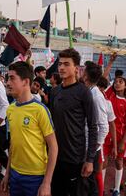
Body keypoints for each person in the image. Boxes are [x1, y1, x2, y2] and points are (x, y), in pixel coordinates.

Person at [1, 61, 58, 196]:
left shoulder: (40, 110)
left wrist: (46, 183)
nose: (8, 83)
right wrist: (7, 173)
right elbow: (13, 144)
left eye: (12, 78)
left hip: (36, 177)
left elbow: (53, 147)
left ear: (26, 82)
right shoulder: (10, 110)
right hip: (15, 175)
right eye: (8, 78)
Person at [49, 48, 98, 196]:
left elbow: (93, 127)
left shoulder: (84, 92)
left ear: (76, 68)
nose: (61, 67)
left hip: (75, 158)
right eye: (60, 64)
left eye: (66, 64)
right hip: (55, 156)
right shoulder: (54, 92)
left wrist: (90, 160)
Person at [105, 74, 126, 196]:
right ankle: (101, 188)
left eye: (120, 81)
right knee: (104, 161)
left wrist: (122, 142)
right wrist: (111, 62)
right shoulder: (109, 97)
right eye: (116, 81)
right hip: (107, 135)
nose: (117, 83)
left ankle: (117, 188)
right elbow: (103, 78)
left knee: (119, 161)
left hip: (120, 137)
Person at [83, 61, 109, 196]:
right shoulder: (88, 91)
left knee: (89, 182)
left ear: (86, 75)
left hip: (91, 148)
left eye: (83, 70)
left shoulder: (96, 96)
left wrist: (94, 148)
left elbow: (104, 126)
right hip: (86, 145)